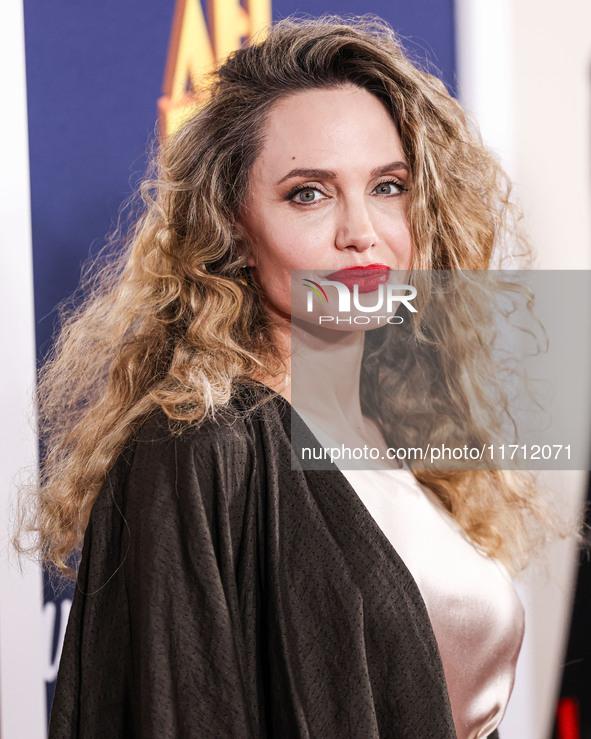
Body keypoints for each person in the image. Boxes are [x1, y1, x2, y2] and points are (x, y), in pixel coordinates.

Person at [14, 14, 577, 739]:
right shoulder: (199, 450)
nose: (360, 231)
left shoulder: (392, 422)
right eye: (308, 193)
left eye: (388, 185)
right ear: (232, 224)